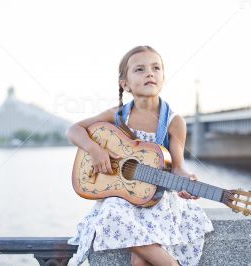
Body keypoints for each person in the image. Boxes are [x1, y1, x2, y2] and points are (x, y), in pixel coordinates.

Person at [66, 46, 214, 266]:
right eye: (140, 69)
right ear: (124, 83)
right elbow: (74, 130)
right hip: (124, 198)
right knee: (110, 213)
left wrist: (185, 178)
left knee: (139, 261)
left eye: (156, 68)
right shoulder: (116, 117)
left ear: (163, 77)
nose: (150, 73)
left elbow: (177, 166)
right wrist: (94, 149)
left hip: (158, 197)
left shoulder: (174, 122)